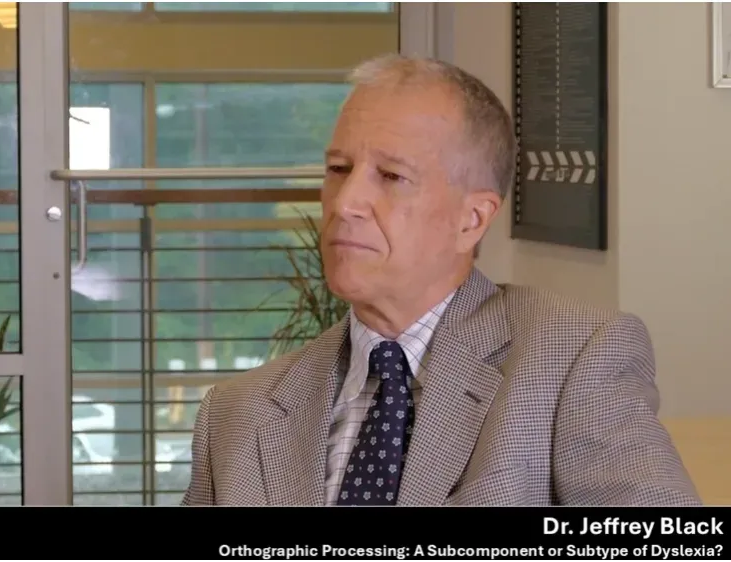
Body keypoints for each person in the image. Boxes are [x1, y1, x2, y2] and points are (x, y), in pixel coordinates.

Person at [181, 54, 700, 506]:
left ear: (471, 220)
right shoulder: (235, 413)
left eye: (391, 176)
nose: (345, 203)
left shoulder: (573, 359)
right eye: (339, 169)